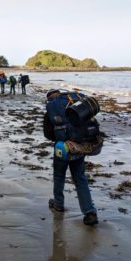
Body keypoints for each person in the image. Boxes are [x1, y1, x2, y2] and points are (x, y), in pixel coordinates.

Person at [46, 89, 98, 226]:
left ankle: (58, 204)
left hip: (63, 147)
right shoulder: (77, 99)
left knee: (59, 176)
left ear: (50, 98)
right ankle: (90, 212)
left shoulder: (52, 106)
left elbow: (48, 133)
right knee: (80, 178)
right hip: (81, 144)